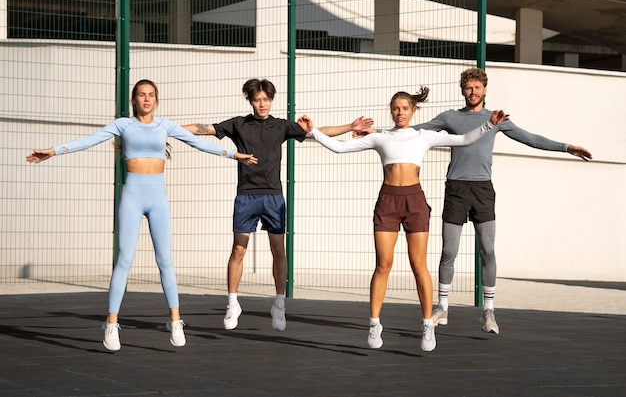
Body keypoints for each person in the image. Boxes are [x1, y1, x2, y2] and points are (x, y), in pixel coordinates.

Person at [26, 79, 257, 351]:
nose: (146, 99)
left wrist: (234, 155)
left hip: (157, 197)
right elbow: (88, 140)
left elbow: (199, 143)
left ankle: (175, 320)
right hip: (132, 195)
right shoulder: (123, 125)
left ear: (156, 99)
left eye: (151, 95)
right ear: (134, 99)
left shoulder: (166, 126)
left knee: (165, 260)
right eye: (141, 95)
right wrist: (53, 151)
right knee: (124, 258)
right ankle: (111, 323)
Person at [297, 87, 509, 351]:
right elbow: (339, 148)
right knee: (383, 265)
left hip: (415, 202)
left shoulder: (424, 135)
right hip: (388, 201)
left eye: (405, 108)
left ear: (413, 111)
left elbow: (465, 139)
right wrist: (312, 131)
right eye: (395, 108)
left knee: (418, 265)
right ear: (391, 111)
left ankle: (427, 325)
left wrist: (490, 124)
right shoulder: (380, 137)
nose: (400, 113)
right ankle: (374, 323)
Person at [402, 67, 592, 334]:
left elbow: (530, 138)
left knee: (488, 251)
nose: (473, 92)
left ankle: (488, 312)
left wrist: (567, 147)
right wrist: (375, 134)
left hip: (482, 191)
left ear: (485, 90)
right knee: (449, 251)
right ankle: (442, 306)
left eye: (477, 88)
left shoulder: (496, 119)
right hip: (456, 189)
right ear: (462, 90)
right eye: (468, 88)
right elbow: (411, 131)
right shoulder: (450, 117)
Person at [184, 78, 372, 332]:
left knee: (278, 250)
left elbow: (317, 132)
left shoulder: (281, 126)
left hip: (273, 197)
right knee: (238, 249)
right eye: (257, 99)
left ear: (271, 100)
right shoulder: (238, 124)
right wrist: (165, 128)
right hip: (246, 196)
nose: (262, 104)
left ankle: (279, 304)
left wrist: (350, 126)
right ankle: (232, 303)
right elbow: (203, 128)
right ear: (250, 101)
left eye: (266, 99)